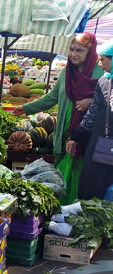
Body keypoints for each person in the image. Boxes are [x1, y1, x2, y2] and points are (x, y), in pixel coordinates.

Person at [15, 33, 103, 203]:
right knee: (61, 176)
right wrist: (25, 108)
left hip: (86, 137)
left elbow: (109, 99)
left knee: (80, 176)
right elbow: (51, 98)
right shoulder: (66, 73)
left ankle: (76, 213)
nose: (73, 54)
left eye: (79, 50)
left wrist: (91, 101)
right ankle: (59, 212)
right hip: (64, 133)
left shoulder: (100, 72)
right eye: (71, 49)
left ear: (90, 52)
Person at [70, 39, 113, 200]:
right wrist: (76, 137)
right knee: (93, 185)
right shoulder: (103, 81)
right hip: (101, 142)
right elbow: (92, 114)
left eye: (102, 60)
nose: (99, 64)